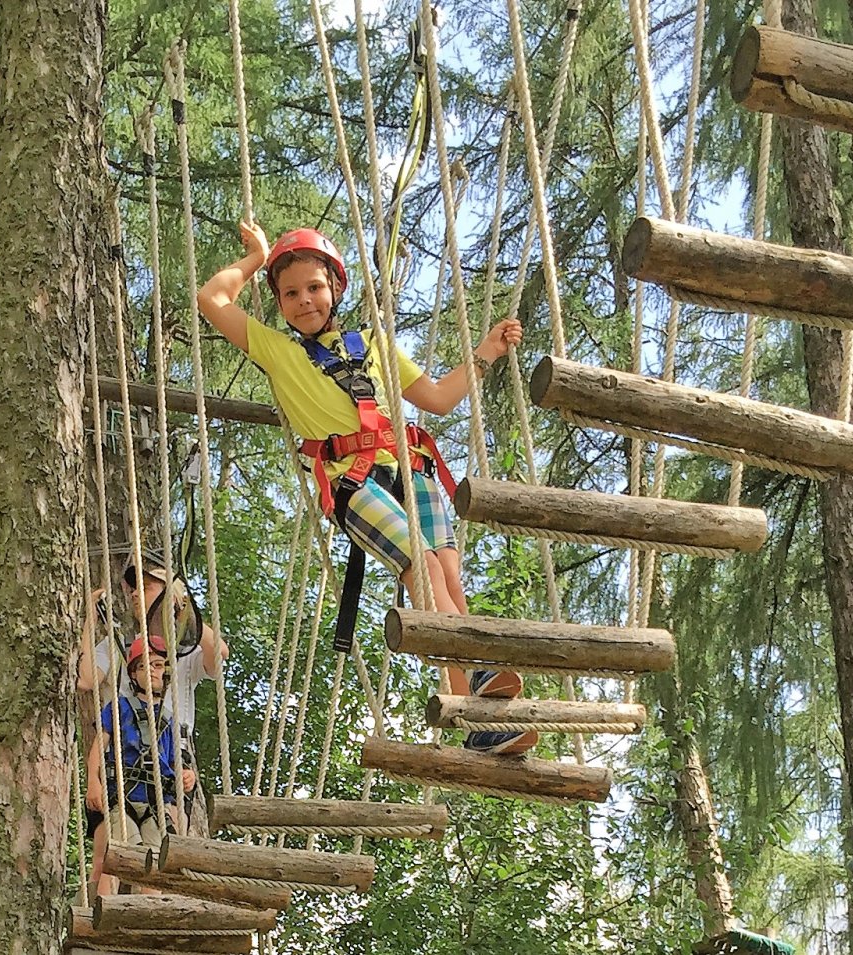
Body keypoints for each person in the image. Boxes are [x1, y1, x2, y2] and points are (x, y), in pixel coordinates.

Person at [194, 220, 533, 756]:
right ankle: (479, 663)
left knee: (447, 579)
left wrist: (486, 351)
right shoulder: (279, 352)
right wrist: (257, 258)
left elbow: (439, 399)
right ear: (279, 304)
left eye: (313, 288)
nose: (304, 300)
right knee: (420, 566)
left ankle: (477, 720)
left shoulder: (373, 345)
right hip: (352, 482)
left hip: (408, 466)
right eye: (290, 293)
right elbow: (212, 297)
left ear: (334, 290)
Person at [79, 552, 227, 834]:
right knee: (113, 855)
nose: (135, 594)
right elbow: (85, 679)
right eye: (134, 588)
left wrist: (183, 610)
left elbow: (218, 653)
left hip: (170, 760)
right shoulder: (120, 645)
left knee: (165, 846)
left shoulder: (184, 650)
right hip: (123, 764)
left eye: (145, 588)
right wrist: (89, 619)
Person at [85, 635, 196, 899]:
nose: (153, 672)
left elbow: (174, 763)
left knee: (155, 864)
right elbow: (99, 747)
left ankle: (150, 918)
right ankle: (99, 916)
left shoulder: (167, 721)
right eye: (145, 666)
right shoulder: (119, 708)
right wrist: (93, 781)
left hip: (154, 805)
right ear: (133, 674)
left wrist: (186, 776)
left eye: (158, 666)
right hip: (123, 797)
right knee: (117, 857)